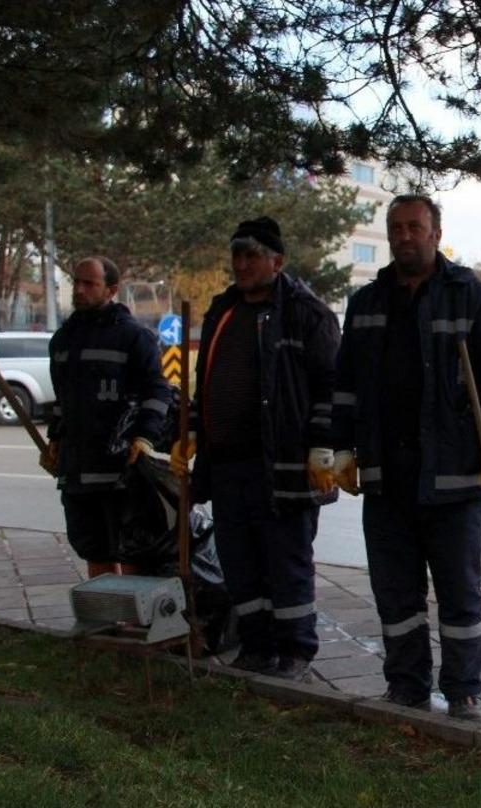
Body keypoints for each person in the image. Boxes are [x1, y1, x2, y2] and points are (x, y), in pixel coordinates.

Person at [330, 194, 481, 724]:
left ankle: (463, 691)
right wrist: (341, 447)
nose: (404, 236)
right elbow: (346, 385)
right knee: (395, 593)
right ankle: (406, 684)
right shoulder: (367, 303)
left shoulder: (472, 298)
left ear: (436, 233)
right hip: (387, 476)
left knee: (459, 593)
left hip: (455, 474)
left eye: (415, 226)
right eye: (396, 228)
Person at [171, 216, 340, 683]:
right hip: (227, 466)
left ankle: (295, 650)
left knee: (285, 563)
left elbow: (331, 387)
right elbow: (205, 380)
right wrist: (191, 429)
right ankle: (256, 645)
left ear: (277, 261)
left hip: (283, 466)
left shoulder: (306, 314)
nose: (242, 264)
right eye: (237, 256)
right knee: (240, 562)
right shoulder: (223, 310)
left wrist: (322, 446)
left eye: (252, 256)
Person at [42, 256, 171, 578]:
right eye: (77, 282)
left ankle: (133, 609)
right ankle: (105, 607)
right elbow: (63, 399)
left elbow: (157, 391)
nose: (79, 290)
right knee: (93, 550)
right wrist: (55, 439)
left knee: (130, 550)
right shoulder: (63, 340)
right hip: (77, 470)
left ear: (111, 290)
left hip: (122, 471)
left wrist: (145, 437)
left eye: (90, 284)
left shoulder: (133, 337)